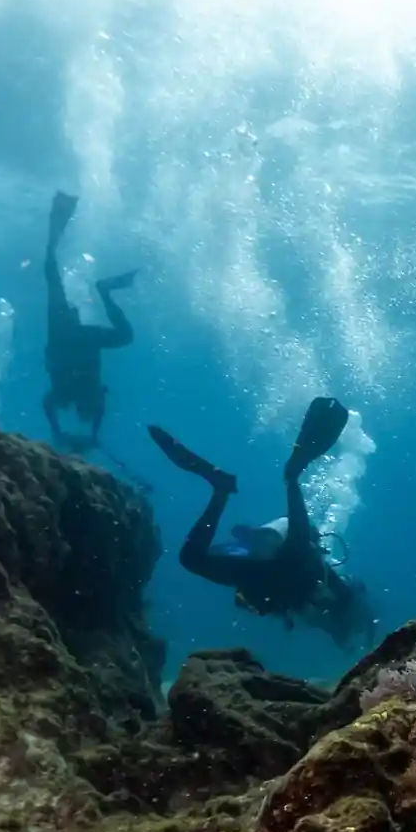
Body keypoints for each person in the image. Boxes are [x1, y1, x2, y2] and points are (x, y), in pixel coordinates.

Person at [149, 397, 375, 647]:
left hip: (266, 573)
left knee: (191, 559)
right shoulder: (343, 598)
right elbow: (331, 596)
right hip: (291, 565)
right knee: (293, 552)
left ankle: (222, 489)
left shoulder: (332, 607)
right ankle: (290, 477)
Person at [43, 191, 136, 447]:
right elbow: (94, 412)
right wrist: (87, 437)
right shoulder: (85, 396)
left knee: (52, 277)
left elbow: (49, 404)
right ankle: (103, 290)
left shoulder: (70, 395)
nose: (89, 405)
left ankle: (102, 289)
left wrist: (60, 433)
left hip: (67, 336)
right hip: (73, 337)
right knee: (51, 276)